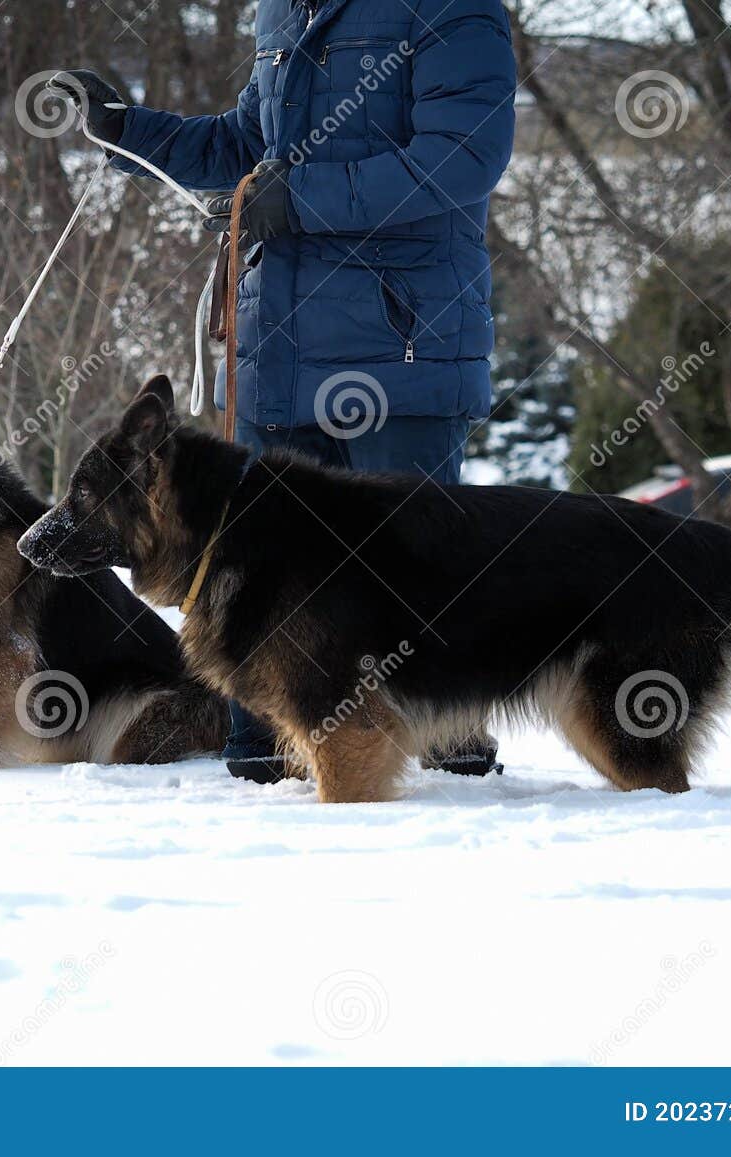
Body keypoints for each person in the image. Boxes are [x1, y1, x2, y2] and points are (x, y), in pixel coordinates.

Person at [56, 0, 516, 782]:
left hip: (399, 351)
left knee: (409, 568)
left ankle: (442, 755)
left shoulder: (450, 7)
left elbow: (462, 155)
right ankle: (264, 748)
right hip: (275, 353)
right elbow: (246, 144)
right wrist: (127, 132)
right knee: (259, 563)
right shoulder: (282, 13)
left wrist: (301, 198)